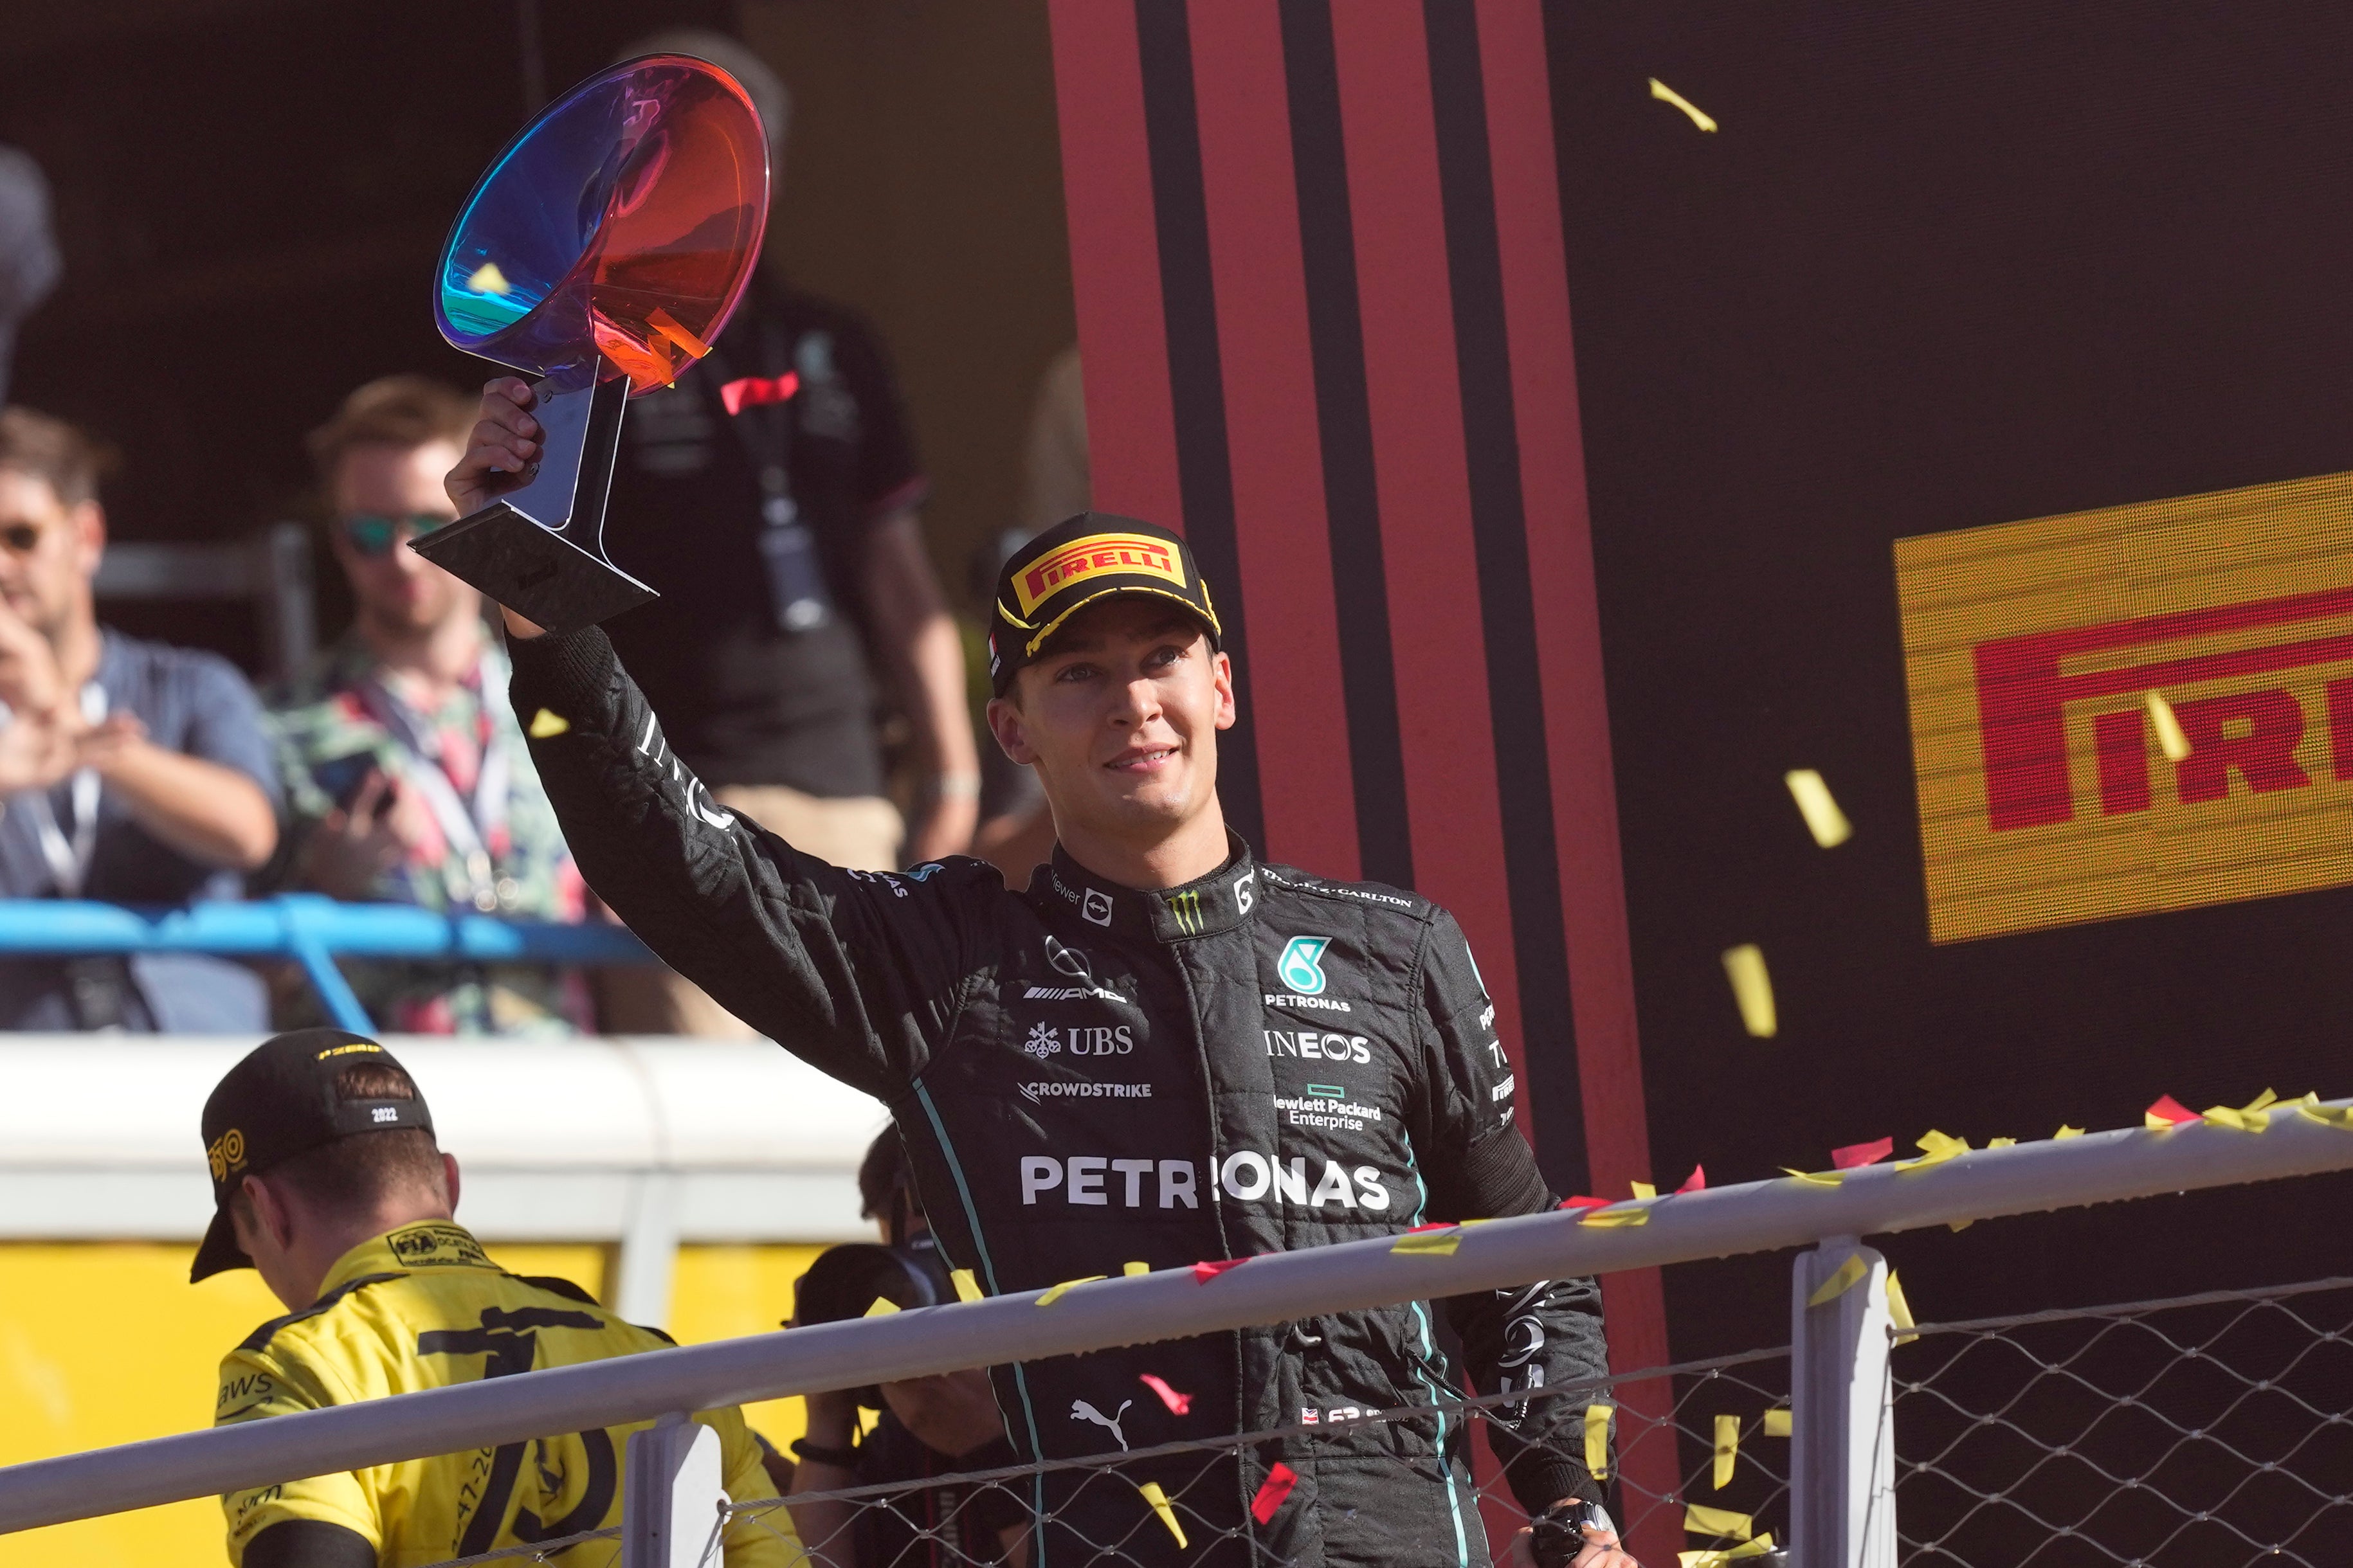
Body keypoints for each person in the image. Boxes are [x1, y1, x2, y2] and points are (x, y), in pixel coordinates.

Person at [455, 385, 1635, 1568]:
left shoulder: (1396, 951)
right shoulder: (953, 959)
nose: (1132, 701)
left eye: (1160, 657)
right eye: (1076, 672)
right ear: (1010, 730)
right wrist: (538, 597)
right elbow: (688, 869)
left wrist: (1574, 1508)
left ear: (1219, 687)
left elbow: (1524, 1268)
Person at [590, 30, 983, 1038]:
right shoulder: (585, 361)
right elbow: (536, 602)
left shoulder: (834, 342)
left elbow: (901, 574)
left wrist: (951, 769)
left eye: (737, 151)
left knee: (869, 1120)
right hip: (671, 793)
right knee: (727, 1136)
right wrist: (584, 811)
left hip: (846, 788)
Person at [199, 1029, 797, 1567]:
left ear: (269, 1211)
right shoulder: (664, 1365)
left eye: (246, 1248)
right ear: (450, 1182)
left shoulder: (293, 1368)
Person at [269, 377, 590, 1034]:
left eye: (426, 525)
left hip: (562, 1097)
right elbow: (227, 981)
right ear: (336, 543)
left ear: (477, 518)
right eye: (367, 532)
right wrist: (320, 892)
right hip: (388, 1106)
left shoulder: (570, 697)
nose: (401, 558)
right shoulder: (280, 722)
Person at [0, 406, 280, 1030]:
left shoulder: (194, 682)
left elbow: (248, 832)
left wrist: (76, 730)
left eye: (20, 537)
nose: (0, 567)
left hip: (194, 1058)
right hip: (22, 1082)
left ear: (87, 538)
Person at [782, 1131, 1030, 1568]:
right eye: (904, 1248)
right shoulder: (908, 1423)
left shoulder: (1082, 1395)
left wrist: (988, 1449)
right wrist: (828, 1414)